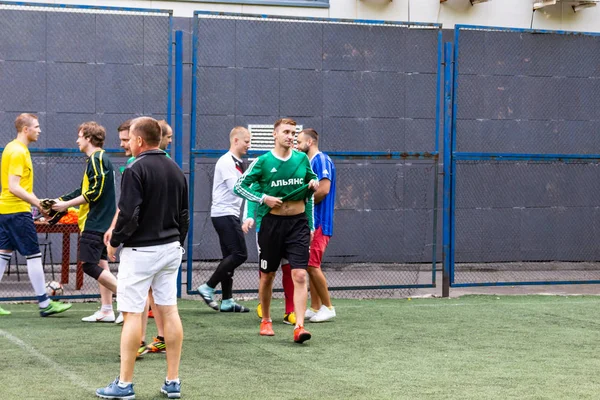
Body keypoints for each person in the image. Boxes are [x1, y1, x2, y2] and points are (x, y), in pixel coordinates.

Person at [97, 117, 188, 400]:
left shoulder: (135, 168)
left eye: (129, 140)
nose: (127, 144)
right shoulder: (175, 168)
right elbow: (184, 216)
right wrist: (176, 243)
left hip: (141, 252)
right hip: (170, 248)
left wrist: (115, 241)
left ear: (139, 140)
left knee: (132, 314)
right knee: (169, 311)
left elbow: (128, 213)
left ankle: (124, 385)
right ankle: (172, 381)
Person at [234, 118, 318, 344]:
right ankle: (266, 319)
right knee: (268, 275)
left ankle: (299, 326)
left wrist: (310, 222)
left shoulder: (302, 159)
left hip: (298, 225)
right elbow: (239, 186)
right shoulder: (263, 161)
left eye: (293, 133)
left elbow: (310, 189)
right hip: (271, 225)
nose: (291, 136)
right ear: (275, 134)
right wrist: (263, 199)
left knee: (299, 273)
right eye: (286, 132)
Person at [0, 113, 72, 317]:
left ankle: (44, 302)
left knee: (3, 255)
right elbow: (14, 187)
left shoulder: (14, 149)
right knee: (33, 256)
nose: (39, 130)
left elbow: (20, 186)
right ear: (26, 129)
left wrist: (40, 206)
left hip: (6, 211)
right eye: (36, 126)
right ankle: (44, 304)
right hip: (16, 212)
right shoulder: (17, 152)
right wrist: (38, 203)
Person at [51, 122, 118, 322]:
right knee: (101, 263)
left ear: (89, 138)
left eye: (80, 136)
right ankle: (107, 310)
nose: (77, 140)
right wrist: (59, 202)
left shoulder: (97, 158)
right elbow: (83, 190)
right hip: (99, 222)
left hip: (95, 222)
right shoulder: (96, 160)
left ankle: (129, 298)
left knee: (88, 265)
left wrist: (66, 205)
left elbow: (94, 192)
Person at [197, 127, 251, 313]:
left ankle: (227, 301)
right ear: (235, 140)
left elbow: (241, 190)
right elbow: (235, 188)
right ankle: (208, 287)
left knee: (229, 256)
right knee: (240, 254)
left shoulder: (238, 162)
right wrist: (261, 196)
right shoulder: (226, 161)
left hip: (230, 214)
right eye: (246, 141)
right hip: (224, 215)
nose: (248, 145)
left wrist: (245, 217)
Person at [296, 128, 336, 322]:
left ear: (310, 142)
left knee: (312, 265)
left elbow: (324, 189)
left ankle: (328, 307)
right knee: (311, 264)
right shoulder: (309, 162)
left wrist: (302, 202)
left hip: (320, 222)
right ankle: (315, 307)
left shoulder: (321, 160)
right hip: (312, 222)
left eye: (299, 141)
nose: (295, 145)